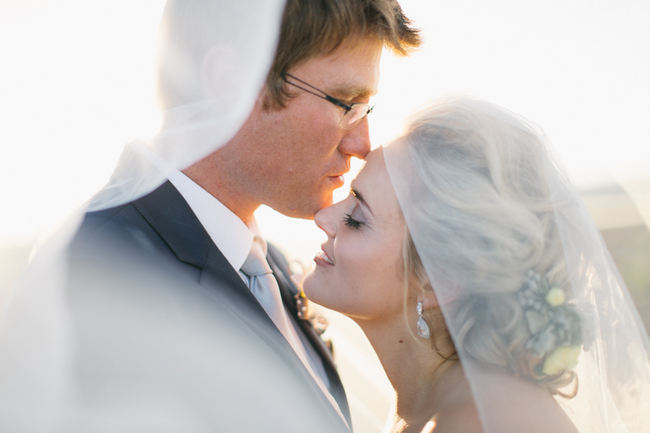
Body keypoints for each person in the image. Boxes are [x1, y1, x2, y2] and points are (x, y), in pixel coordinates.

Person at [0, 1, 420, 431]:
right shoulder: (102, 271)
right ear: (231, 83)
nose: (362, 142)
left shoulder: (267, 265)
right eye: (346, 102)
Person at [303, 97, 650, 433]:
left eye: (357, 218)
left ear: (441, 279)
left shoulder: (482, 421)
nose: (324, 217)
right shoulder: (446, 407)